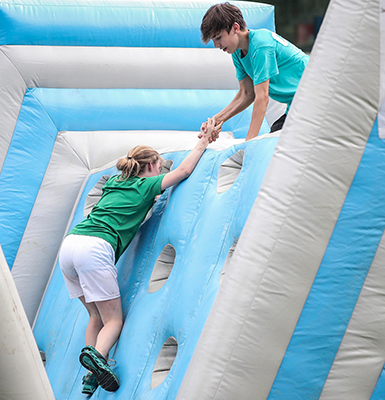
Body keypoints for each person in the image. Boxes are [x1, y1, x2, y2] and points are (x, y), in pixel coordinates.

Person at [58, 121, 214, 395]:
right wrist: (203, 142)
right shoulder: (147, 186)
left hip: (70, 246)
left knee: (95, 316)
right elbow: (184, 170)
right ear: (152, 166)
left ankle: (91, 376)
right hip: (95, 249)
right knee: (114, 321)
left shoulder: (115, 185)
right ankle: (98, 358)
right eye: (159, 166)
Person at [199, 2, 309, 141]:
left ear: (235, 28)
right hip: (298, 105)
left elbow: (262, 98)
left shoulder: (261, 45)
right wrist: (216, 120)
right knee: (272, 145)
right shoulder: (237, 53)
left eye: (218, 38)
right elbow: (247, 93)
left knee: (276, 148)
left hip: (316, 99)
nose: (216, 45)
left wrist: (249, 143)